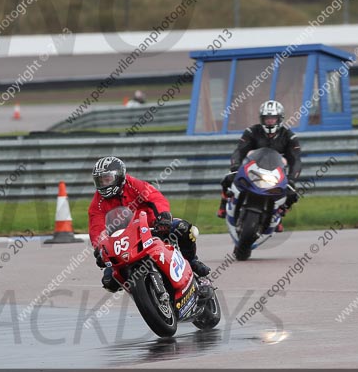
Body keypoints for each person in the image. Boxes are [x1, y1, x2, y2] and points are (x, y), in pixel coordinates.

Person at [89, 156, 210, 292]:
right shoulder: (97, 203)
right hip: (123, 242)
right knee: (109, 281)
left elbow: (154, 197)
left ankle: (193, 264)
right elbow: (96, 228)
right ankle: (142, 293)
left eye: (107, 179)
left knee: (184, 229)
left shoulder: (133, 185)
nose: (104, 184)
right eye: (100, 180)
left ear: (119, 176)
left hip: (151, 228)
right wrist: (100, 248)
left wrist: (163, 216)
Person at [218, 100, 302, 232]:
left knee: (292, 195)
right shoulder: (251, 132)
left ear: (280, 119)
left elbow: (295, 160)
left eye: (273, 118)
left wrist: (292, 179)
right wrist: (235, 166)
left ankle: (278, 215)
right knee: (227, 178)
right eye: (267, 118)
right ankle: (223, 205)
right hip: (252, 170)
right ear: (261, 119)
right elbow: (239, 151)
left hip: (276, 174)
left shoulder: (290, 137)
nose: (270, 121)